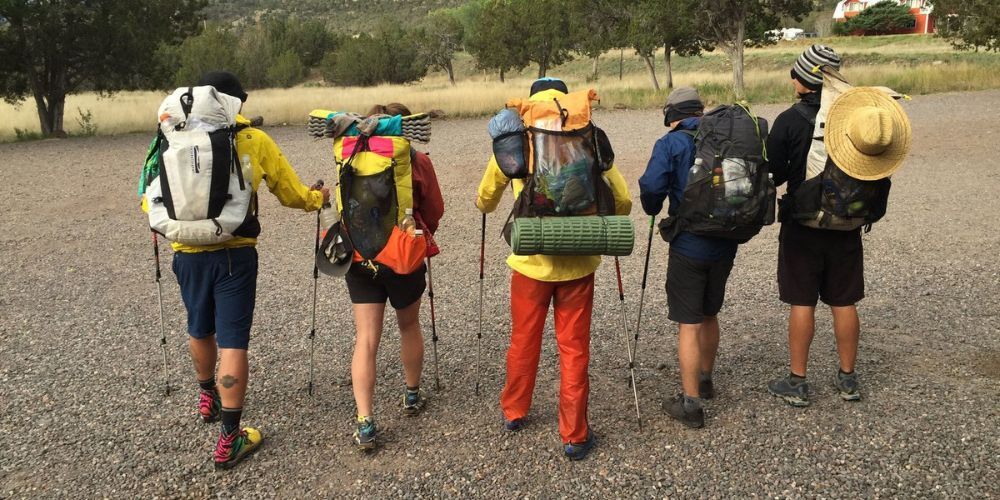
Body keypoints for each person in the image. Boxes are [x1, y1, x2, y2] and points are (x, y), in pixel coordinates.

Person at [147, 71, 330, 469]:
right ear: (234, 104)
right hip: (236, 253)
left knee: (199, 326)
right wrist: (318, 199)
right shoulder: (252, 139)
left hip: (186, 251)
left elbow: (148, 199)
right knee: (233, 341)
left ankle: (206, 393)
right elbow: (291, 193)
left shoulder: (167, 138)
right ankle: (230, 440)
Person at [476, 78, 632, 461]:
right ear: (565, 98)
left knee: (523, 341)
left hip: (530, 262)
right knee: (574, 349)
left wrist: (487, 203)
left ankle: (515, 412)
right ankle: (574, 434)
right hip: (579, 263)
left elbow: (485, 198)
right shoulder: (586, 134)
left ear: (532, 101)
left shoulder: (519, 137)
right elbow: (624, 199)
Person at [765, 45, 862, 407]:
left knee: (802, 300)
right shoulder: (855, 116)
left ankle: (798, 381)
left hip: (803, 223)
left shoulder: (789, 120)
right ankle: (848, 380)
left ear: (803, 81)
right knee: (844, 299)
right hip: (848, 219)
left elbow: (772, 172)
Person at [637, 87, 739, 429]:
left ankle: (691, 404)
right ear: (700, 109)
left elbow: (652, 188)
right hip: (726, 241)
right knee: (710, 312)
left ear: (671, 114)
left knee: (689, 322)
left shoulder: (671, 143)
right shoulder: (726, 136)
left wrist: (653, 208)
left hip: (689, 244)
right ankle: (706, 379)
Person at [344, 103, 444, 450]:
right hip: (402, 254)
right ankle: (412, 395)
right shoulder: (416, 159)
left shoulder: (353, 155)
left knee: (366, 338)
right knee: (408, 326)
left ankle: (365, 421)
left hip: (359, 255)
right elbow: (435, 209)